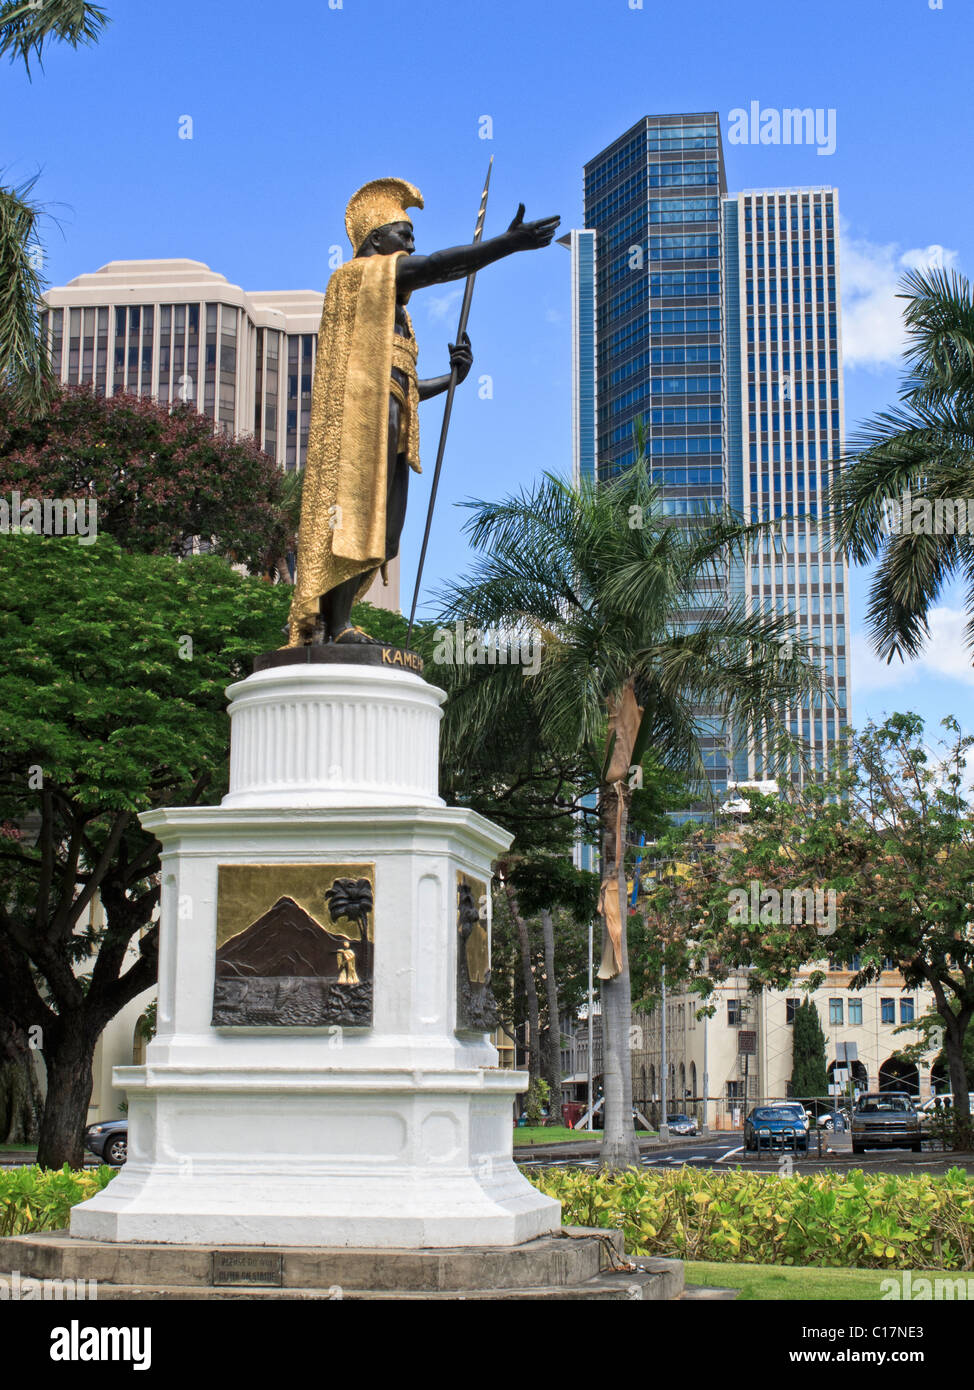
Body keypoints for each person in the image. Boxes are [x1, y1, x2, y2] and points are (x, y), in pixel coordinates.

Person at [287, 177, 559, 645]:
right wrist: (506, 245)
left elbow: (402, 387)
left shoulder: (396, 316)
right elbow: (437, 267)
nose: (412, 247)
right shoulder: (356, 277)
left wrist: (451, 380)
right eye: (404, 236)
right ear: (376, 240)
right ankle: (336, 627)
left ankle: (341, 622)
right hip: (360, 438)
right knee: (353, 522)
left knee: (384, 535)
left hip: (390, 431)